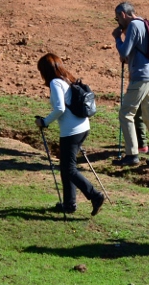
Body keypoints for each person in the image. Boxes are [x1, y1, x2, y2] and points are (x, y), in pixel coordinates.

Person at [35, 53, 105, 215]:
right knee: (66, 167)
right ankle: (69, 204)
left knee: (69, 169)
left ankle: (94, 195)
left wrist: (44, 122)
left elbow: (60, 108)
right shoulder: (66, 79)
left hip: (71, 132)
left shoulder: (55, 83)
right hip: (82, 127)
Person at [113, 1, 149, 167]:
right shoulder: (146, 24)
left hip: (141, 76)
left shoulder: (133, 26)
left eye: (118, 18)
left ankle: (131, 154)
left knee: (126, 113)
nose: (118, 22)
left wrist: (117, 38)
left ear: (124, 15)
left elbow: (124, 51)